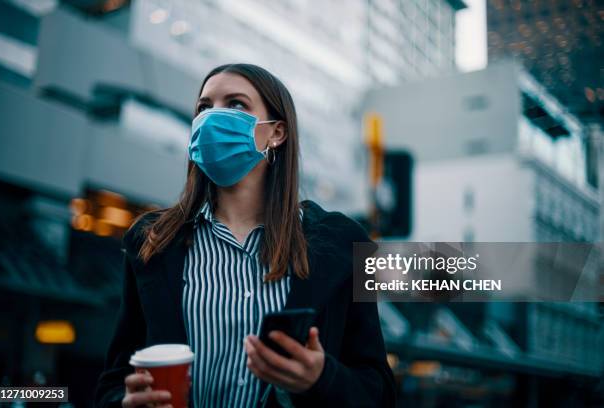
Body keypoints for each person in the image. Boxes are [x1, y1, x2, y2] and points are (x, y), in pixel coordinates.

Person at [94, 63, 396, 408]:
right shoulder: (151, 241)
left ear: (276, 132)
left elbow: (379, 392)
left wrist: (320, 378)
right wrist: (124, 402)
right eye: (204, 108)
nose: (212, 118)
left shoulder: (343, 244)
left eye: (236, 104)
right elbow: (112, 382)